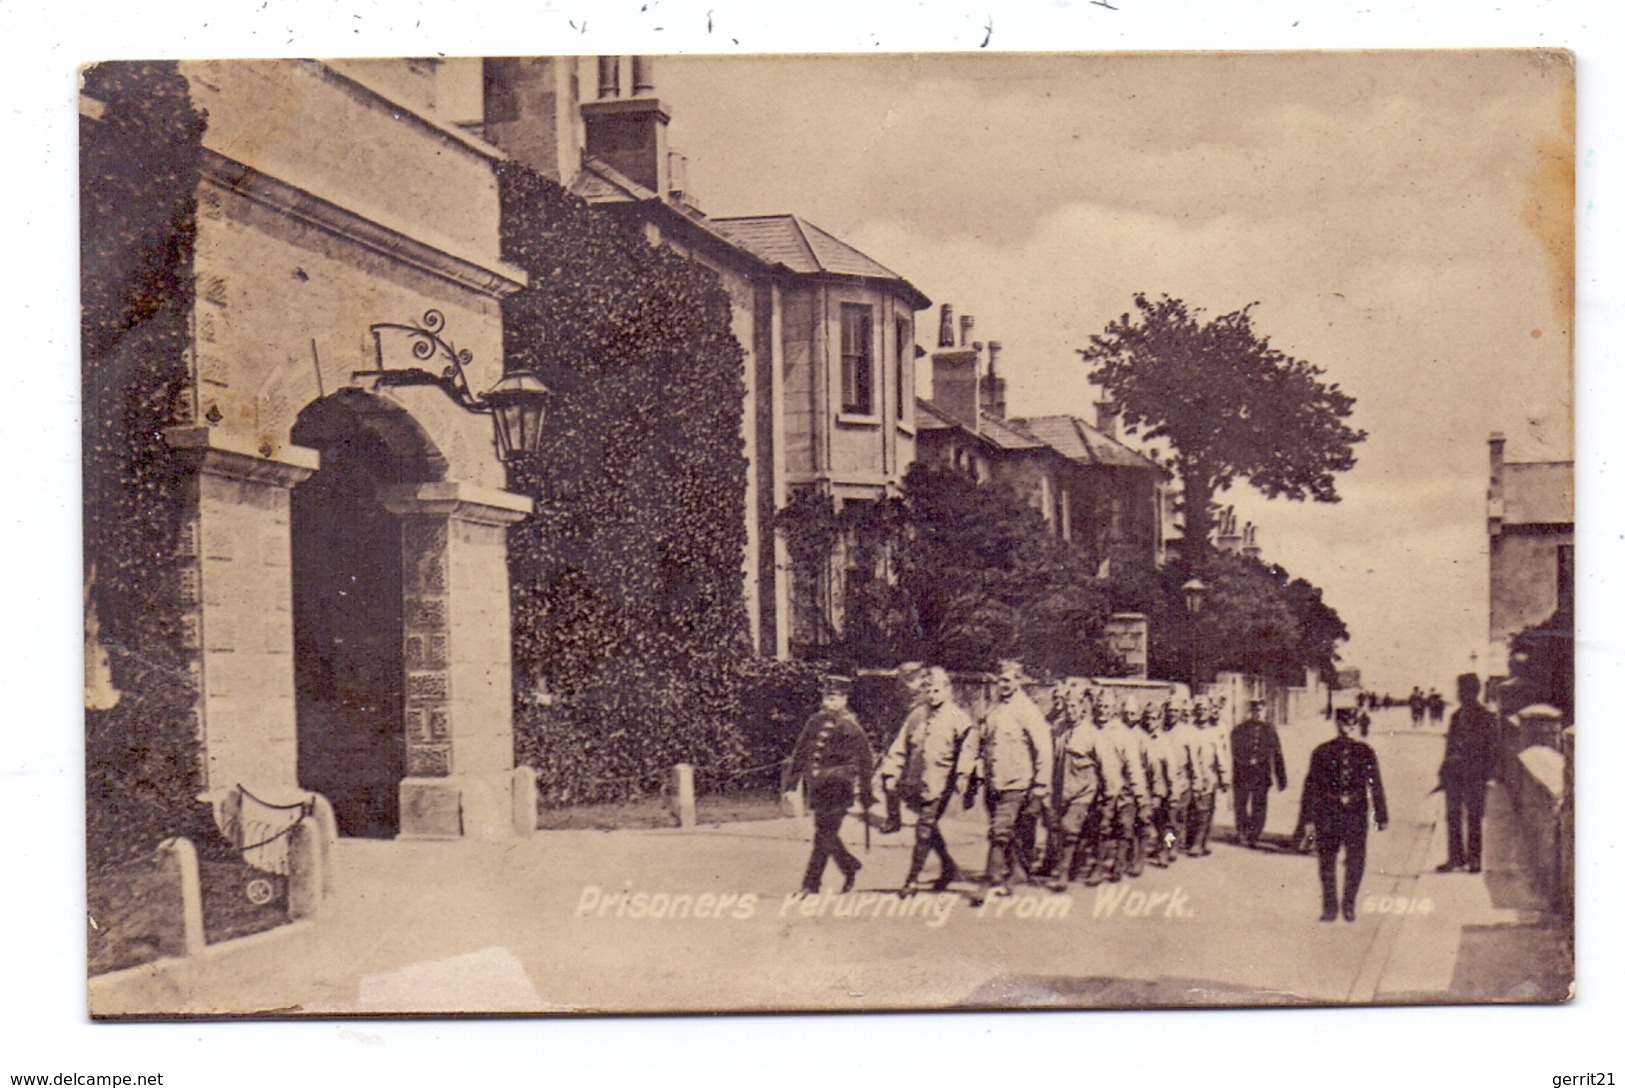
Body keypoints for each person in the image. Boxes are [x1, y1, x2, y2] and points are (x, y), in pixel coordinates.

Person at [879, 666, 977, 896]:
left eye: (937, 690)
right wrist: (892, 772)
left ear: (947, 690)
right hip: (916, 783)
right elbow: (900, 746)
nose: (932, 695)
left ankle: (911, 881)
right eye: (929, 690)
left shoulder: (958, 718)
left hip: (941, 783)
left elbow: (969, 749)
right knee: (929, 827)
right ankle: (948, 867)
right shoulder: (916, 715)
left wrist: (963, 775)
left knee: (923, 829)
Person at [963, 660, 1054, 900]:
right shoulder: (995, 708)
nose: (1003, 684)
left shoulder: (1027, 710)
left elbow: (1044, 748)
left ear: (1019, 681)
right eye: (1001, 679)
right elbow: (981, 741)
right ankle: (1017, 872)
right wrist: (972, 772)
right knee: (1008, 831)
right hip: (995, 781)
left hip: (1017, 781)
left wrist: (1041, 785)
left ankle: (989, 881)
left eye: (1008, 680)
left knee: (999, 831)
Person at [780, 675, 876, 896]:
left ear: (844, 699)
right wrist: (791, 785)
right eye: (826, 697)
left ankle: (810, 885)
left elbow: (865, 760)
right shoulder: (815, 721)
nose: (828, 703)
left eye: (833, 698)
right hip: (819, 788)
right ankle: (849, 864)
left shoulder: (850, 726)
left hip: (839, 788)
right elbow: (801, 753)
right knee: (825, 834)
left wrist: (865, 792)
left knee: (823, 836)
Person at [1301, 707, 1388, 922]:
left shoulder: (1365, 751)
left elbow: (1375, 783)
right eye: (1343, 723)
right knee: (1327, 861)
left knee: (1356, 860)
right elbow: (1311, 786)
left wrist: (1381, 814)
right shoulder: (1322, 752)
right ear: (1337, 724)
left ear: (1356, 725)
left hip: (1356, 812)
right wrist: (1308, 819)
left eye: (1351, 724)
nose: (1347, 728)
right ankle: (1330, 908)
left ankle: (1349, 905)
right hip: (1328, 811)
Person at [1045, 681, 1107, 890]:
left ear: (1083, 708)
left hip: (1084, 792)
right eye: (1067, 705)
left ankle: (1062, 875)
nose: (1070, 710)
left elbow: (1105, 766)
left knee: (1069, 828)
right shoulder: (1059, 729)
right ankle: (1072, 867)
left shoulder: (1091, 733)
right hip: (1062, 790)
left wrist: (1109, 793)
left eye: (1074, 706)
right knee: (1062, 830)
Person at [1436, 672, 1498, 874]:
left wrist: (1488, 774)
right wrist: (1443, 772)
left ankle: (1474, 859)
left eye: (1462, 690)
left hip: (1475, 775)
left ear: (1473, 691)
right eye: (1459, 689)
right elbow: (1450, 747)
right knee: (1452, 816)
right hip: (1454, 775)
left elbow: (1492, 749)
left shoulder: (1486, 717)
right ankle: (1455, 858)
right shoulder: (1455, 717)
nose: (1459, 693)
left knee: (1474, 817)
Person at [876, 662, 929, 835]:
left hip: (919, 747)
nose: (908, 685)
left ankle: (926, 819)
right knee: (888, 779)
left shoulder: (927, 699)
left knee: (920, 783)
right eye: (905, 680)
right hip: (898, 744)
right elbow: (891, 723)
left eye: (911, 679)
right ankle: (893, 819)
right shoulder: (897, 699)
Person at [1230, 697, 1288, 848]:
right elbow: (1233, 751)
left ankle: (1254, 833)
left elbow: (1277, 754)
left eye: (1260, 711)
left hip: (1261, 775)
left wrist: (1281, 778)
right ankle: (1242, 830)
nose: (1257, 714)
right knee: (1240, 804)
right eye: (1254, 710)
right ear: (1250, 712)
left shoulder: (1269, 730)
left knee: (1259, 805)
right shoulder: (1239, 729)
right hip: (1242, 773)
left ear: (1265, 711)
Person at [1185, 696, 1229, 857]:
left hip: (1208, 776)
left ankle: (1199, 843)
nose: (1202, 713)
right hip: (1188, 777)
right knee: (1187, 812)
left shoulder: (1214, 732)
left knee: (1204, 811)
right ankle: (1183, 842)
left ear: (1210, 711)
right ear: (1195, 711)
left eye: (1205, 709)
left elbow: (1221, 757)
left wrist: (1225, 778)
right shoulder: (1188, 730)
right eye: (1199, 709)